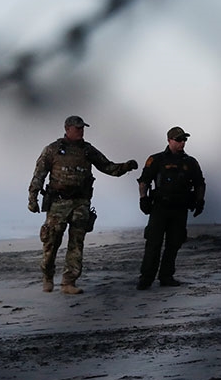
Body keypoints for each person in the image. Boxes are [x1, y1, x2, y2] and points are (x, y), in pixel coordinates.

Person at [27, 115, 139, 294]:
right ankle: (47, 276)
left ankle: (68, 282)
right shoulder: (53, 150)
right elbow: (38, 175)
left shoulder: (87, 150)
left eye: (82, 128)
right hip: (58, 203)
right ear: (67, 128)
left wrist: (126, 166)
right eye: (77, 128)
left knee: (76, 243)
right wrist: (32, 199)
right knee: (51, 242)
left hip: (81, 203)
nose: (81, 131)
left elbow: (108, 167)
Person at [135, 126, 206, 290]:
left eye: (184, 140)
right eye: (179, 139)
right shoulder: (156, 160)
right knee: (153, 243)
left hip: (180, 209)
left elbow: (199, 183)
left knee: (174, 244)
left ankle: (166, 276)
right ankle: (146, 278)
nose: (182, 143)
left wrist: (200, 201)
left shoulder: (190, 162)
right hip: (160, 208)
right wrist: (143, 199)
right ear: (169, 140)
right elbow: (144, 181)